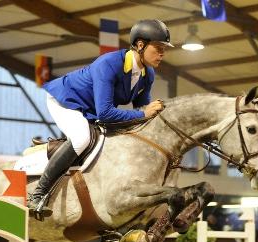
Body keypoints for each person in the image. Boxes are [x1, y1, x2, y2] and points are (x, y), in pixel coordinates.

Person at [27, 19, 173, 218]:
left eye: (164, 48)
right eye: (158, 48)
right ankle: (38, 194)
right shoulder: (109, 64)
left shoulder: (148, 74)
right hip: (66, 100)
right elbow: (107, 114)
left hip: (92, 108)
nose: (162, 53)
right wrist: (143, 113)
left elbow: (141, 111)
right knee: (81, 138)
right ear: (140, 45)